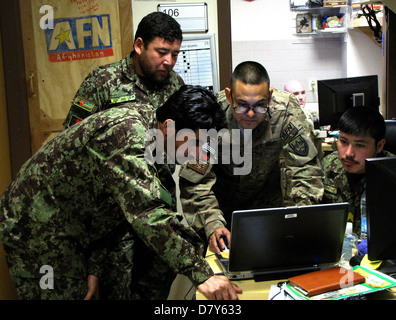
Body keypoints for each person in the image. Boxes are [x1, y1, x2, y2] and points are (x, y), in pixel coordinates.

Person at [0, 85, 242, 300]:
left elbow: (133, 206)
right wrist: (201, 274)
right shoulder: (128, 136)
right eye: (194, 143)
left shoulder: (159, 138)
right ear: (169, 127)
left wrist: (94, 265)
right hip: (37, 225)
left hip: (83, 224)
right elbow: (149, 213)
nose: (196, 152)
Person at [179, 62, 324, 252]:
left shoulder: (286, 112)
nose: (250, 114)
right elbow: (196, 182)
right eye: (241, 106)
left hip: (273, 215)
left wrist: (298, 219)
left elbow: (306, 171)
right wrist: (212, 223)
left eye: (260, 106)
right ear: (230, 96)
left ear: (270, 97)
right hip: (222, 215)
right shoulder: (213, 116)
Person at [63, 11, 184, 129]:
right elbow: (72, 137)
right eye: (161, 53)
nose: (169, 61)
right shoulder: (102, 81)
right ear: (139, 46)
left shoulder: (175, 83)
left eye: (174, 55)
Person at [322, 106, 393, 238]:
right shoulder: (328, 166)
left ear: (379, 146)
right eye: (343, 142)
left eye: (360, 145)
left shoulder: (391, 173)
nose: (348, 153)